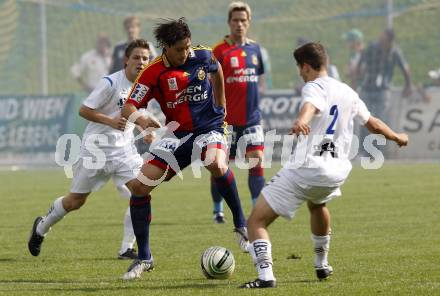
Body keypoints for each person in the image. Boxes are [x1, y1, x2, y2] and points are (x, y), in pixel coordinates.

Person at [240, 42, 409, 288]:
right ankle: (321, 264)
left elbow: (312, 105)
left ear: (306, 66)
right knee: (318, 204)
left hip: (308, 168)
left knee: (256, 221)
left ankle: (265, 277)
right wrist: (397, 137)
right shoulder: (348, 92)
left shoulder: (313, 86)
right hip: (336, 172)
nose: (299, 72)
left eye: (299, 67)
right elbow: (373, 124)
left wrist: (301, 119)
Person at [120, 18, 249, 280]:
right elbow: (128, 107)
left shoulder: (202, 54)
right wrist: (143, 120)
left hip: (210, 128)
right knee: (139, 186)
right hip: (177, 135)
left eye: (187, 46)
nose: (186, 52)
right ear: (165, 47)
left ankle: (240, 225)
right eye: (180, 49)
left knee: (215, 163)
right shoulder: (152, 72)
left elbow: (217, 70)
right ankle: (145, 257)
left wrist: (221, 106)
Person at [28, 39, 160, 260]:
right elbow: (84, 110)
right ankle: (42, 226)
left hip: (124, 151)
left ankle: (127, 248)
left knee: (141, 192)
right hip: (95, 150)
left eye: (145, 58)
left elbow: (133, 112)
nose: (141, 62)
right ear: (126, 60)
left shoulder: (144, 87)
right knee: (75, 202)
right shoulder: (110, 83)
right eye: (136, 57)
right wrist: (109, 122)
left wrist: (144, 128)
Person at [211, 1, 265, 223]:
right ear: (229, 22)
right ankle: (218, 210)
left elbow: (258, 77)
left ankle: (256, 209)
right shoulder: (219, 51)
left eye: (243, 20)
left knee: (257, 160)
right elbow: (210, 83)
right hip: (225, 122)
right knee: (219, 167)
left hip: (252, 119)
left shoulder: (255, 49)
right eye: (235, 20)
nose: (239, 24)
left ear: (249, 22)